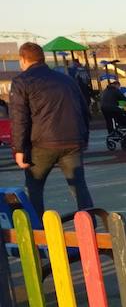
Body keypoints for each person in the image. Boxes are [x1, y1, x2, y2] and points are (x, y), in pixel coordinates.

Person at [8, 43, 94, 217]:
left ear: (23, 60)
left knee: (34, 188)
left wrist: (18, 149)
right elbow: (84, 110)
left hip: (42, 144)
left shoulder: (21, 81)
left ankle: (38, 231)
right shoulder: (66, 79)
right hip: (72, 141)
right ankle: (89, 229)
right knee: (79, 187)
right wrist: (83, 138)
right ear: (42, 58)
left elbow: (19, 118)